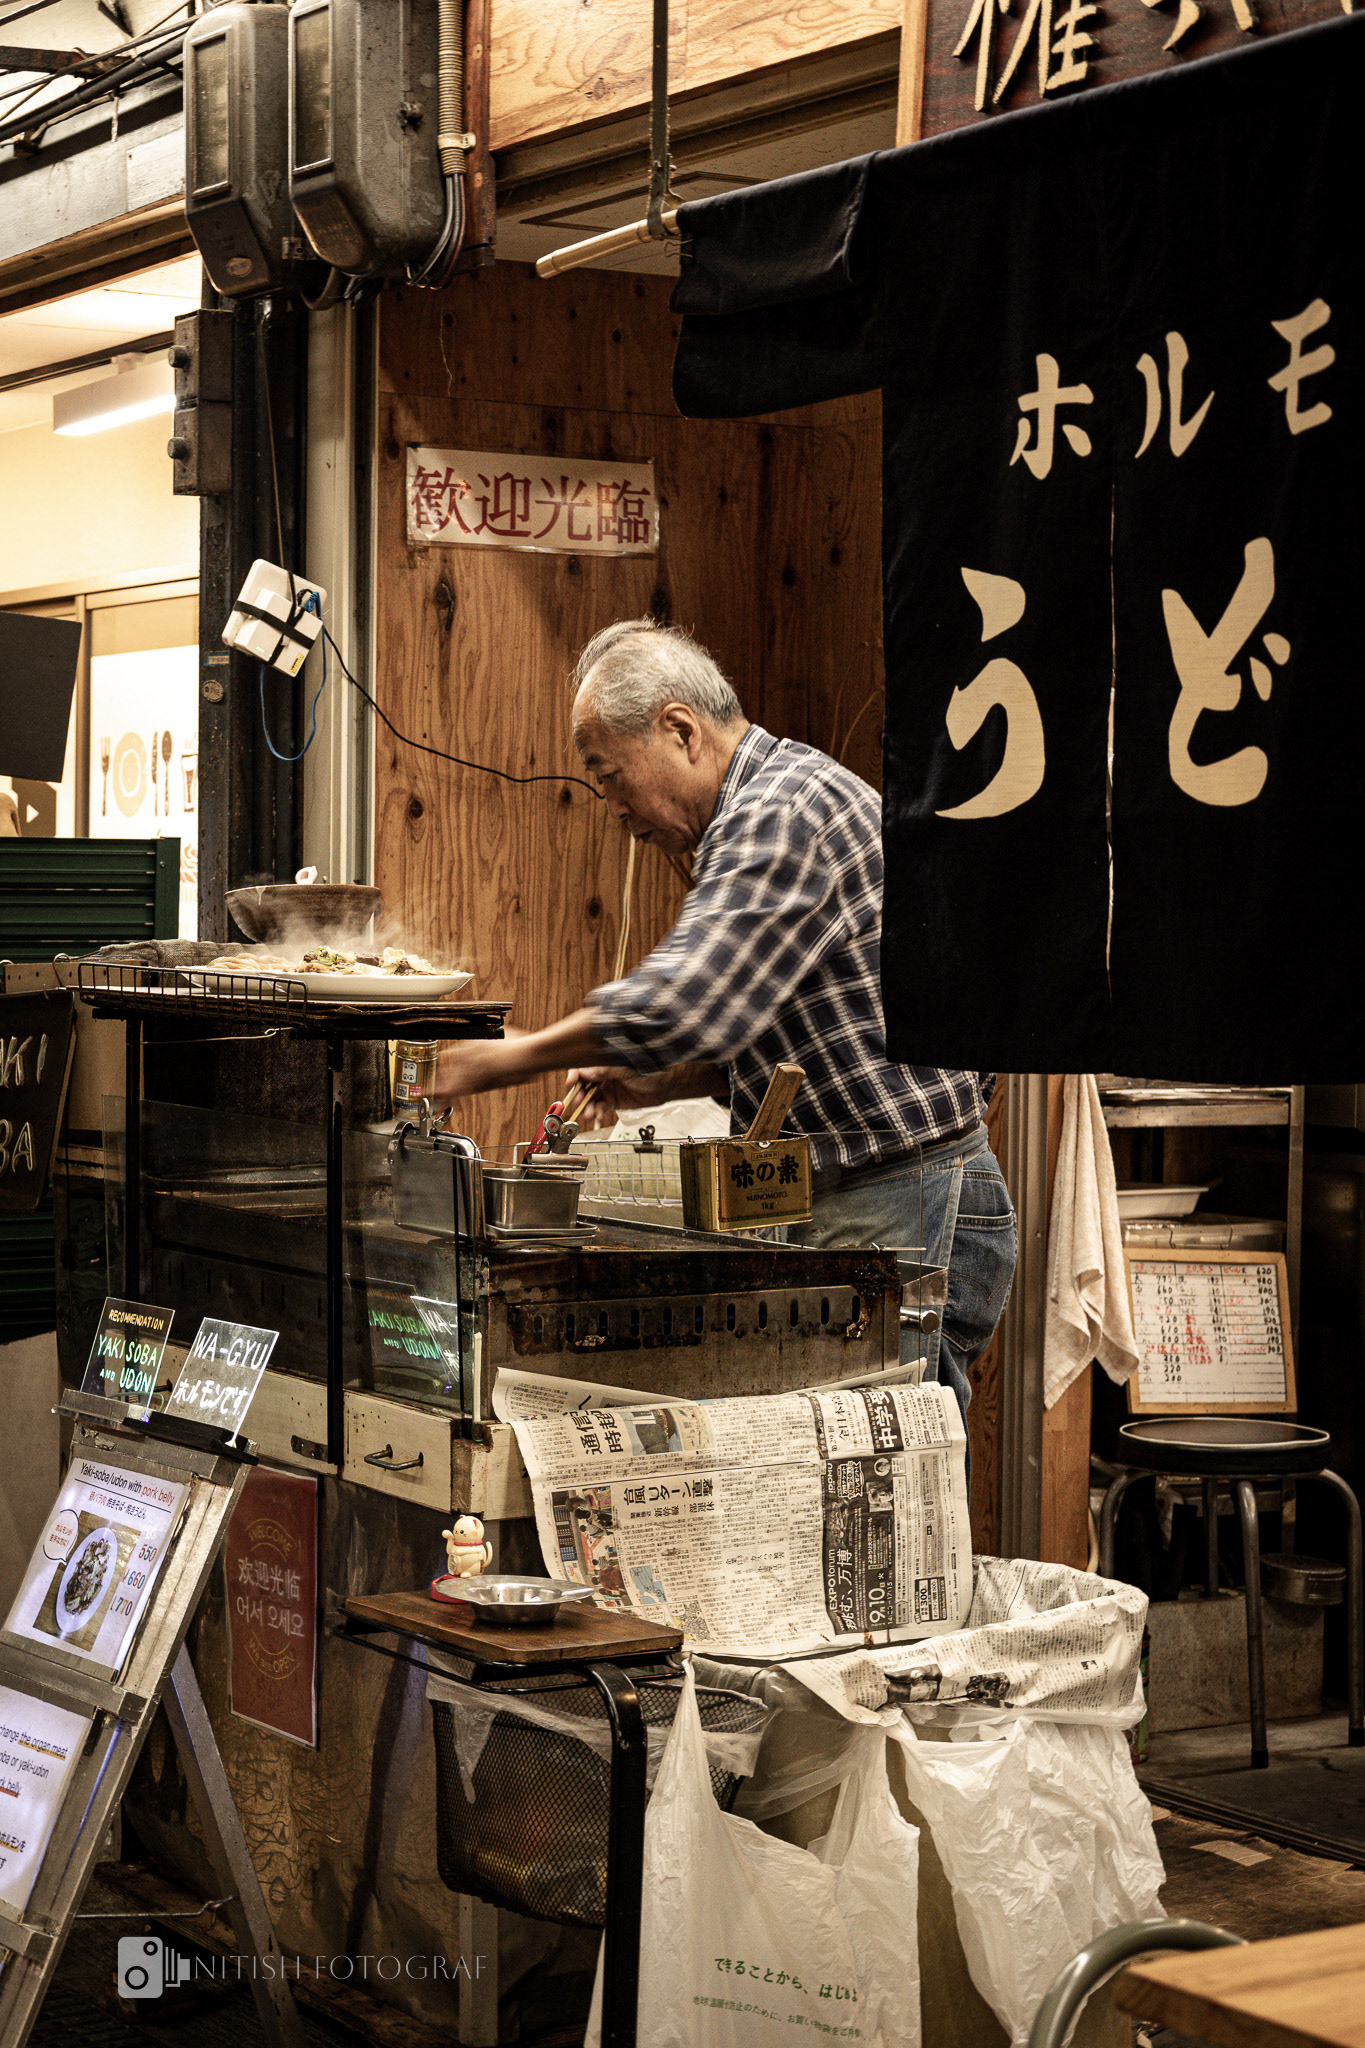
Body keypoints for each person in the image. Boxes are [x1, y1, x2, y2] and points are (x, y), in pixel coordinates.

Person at [432, 617, 1017, 1422]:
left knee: (881, 1482)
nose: (611, 806)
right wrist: (666, 1080)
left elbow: (687, 997)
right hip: (881, 1190)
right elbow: (796, 1026)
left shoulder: (780, 809)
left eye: (608, 774)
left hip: (907, 1193)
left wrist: (509, 1057)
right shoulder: (758, 811)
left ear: (680, 730)